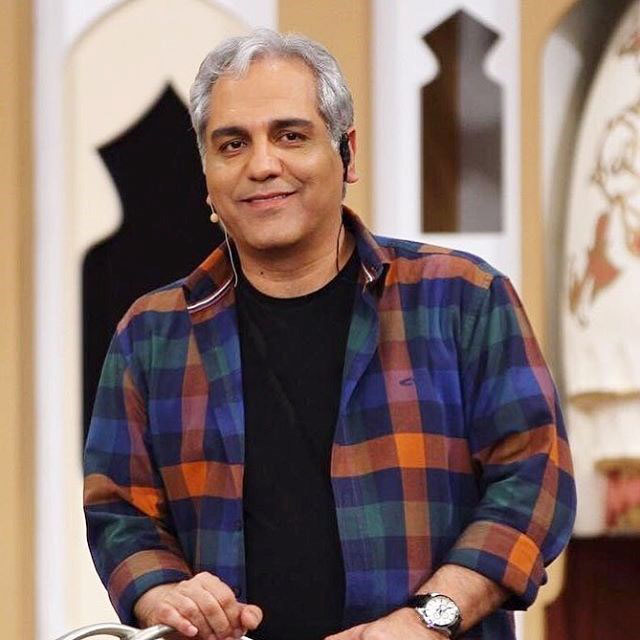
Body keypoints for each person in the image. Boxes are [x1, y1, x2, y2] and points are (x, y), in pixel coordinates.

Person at [84, 29, 576, 640]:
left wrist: (429, 618)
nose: (262, 165)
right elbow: (119, 510)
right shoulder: (152, 336)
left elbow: (533, 481)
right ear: (207, 175)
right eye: (232, 144)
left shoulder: (463, 299)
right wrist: (163, 595)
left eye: (290, 136)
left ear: (347, 153)